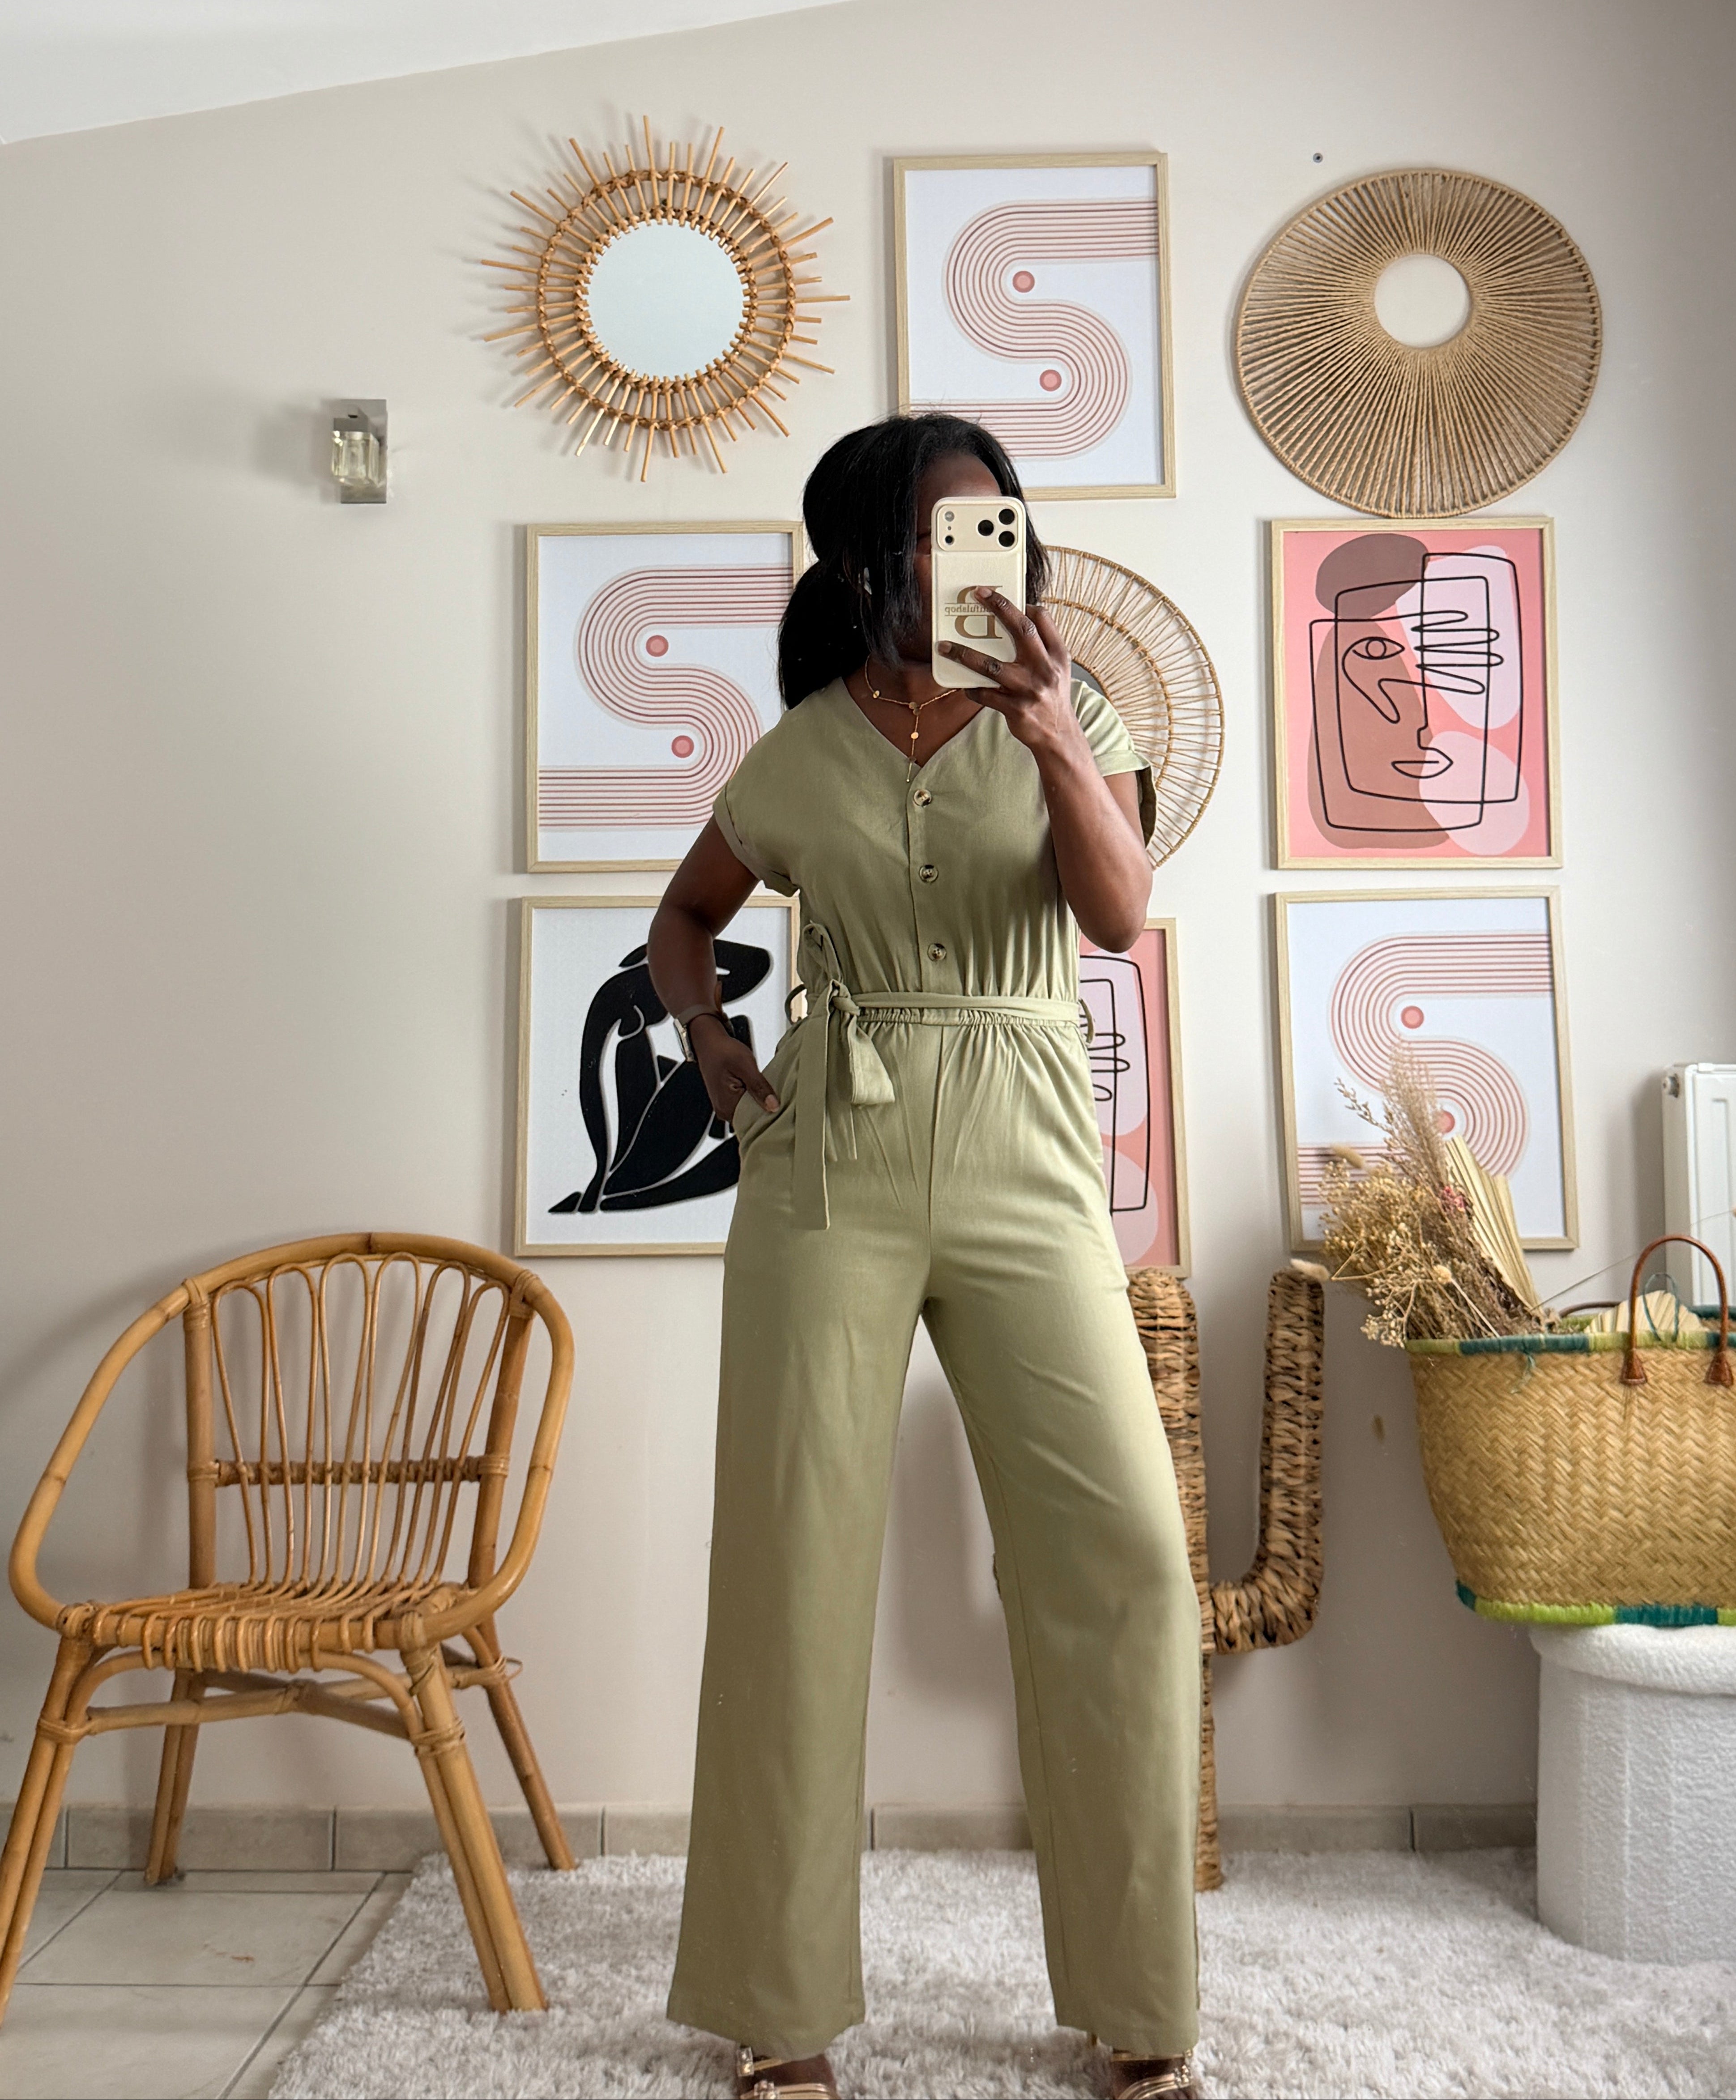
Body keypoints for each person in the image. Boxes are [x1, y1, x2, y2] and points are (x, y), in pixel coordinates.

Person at [648, 414, 1203, 2100]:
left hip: (1030, 1155)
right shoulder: (799, 749)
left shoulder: (1073, 714)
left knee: (1125, 1556)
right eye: (947, 531)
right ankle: (781, 2014)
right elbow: (685, 919)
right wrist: (716, 1051)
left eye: (1000, 525)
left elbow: (1116, 916)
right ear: (868, 559)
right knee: (793, 1570)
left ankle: (1138, 2008)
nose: (984, 556)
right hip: (833, 1158)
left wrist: (1054, 734)